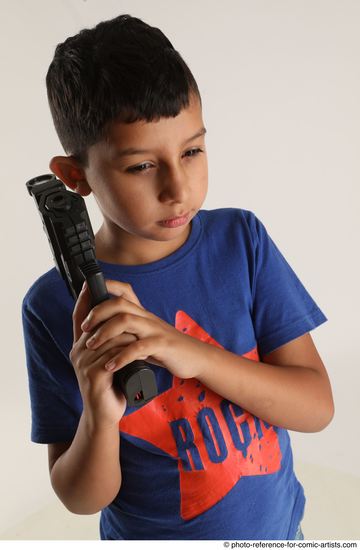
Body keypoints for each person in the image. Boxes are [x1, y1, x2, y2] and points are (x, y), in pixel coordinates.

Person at [21, 14, 334, 541]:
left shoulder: (242, 241)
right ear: (75, 177)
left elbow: (316, 407)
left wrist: (190, 353)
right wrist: (99, 411)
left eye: (191, 151)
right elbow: (80, 498)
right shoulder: (55, 304)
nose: (178, 188)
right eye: (142, 166)